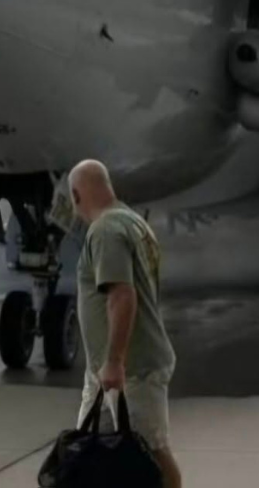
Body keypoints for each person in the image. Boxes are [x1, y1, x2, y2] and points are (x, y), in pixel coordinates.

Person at [70, 159, 180, 488]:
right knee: (87, 454)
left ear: (76, 196)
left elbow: (122, 295)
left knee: (153, 454)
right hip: (109, 372)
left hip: (130, 370)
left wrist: (115, 361)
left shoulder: (105, 230)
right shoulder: (134, 223)